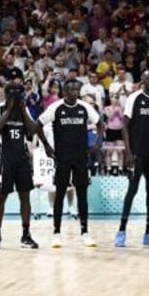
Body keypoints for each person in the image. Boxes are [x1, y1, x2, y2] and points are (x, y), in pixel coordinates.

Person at [39, 80, 103, 248]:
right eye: (70, 88)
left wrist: (97, 143)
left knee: (82, 194)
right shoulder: (56, 107)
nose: (74, 91)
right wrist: (46, 146)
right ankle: (56, 232)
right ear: (64, 90)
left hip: (81, 157)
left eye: (76, 89)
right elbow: (38, 125)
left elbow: (100, 124)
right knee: (59, 193)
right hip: (62, 158)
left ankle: (85, 232)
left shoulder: (84, 107)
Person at [0, 82, 52, 250]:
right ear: (8, 95)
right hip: (5, 160)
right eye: (14, 95)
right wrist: (9, 110)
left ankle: (26, 234)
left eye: (19, 95)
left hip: (22, 160)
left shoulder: (24, 111)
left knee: (25, 197)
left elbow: (32, 130)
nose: (17, 99)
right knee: (1, 196)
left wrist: (23, 110)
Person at [115, 69, 149, 248]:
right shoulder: (134, 98)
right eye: (147, 77)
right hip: (137, 153)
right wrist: (128, 152)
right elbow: (124, 126)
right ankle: (121, 231)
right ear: (142, 80)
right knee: (132, 190)